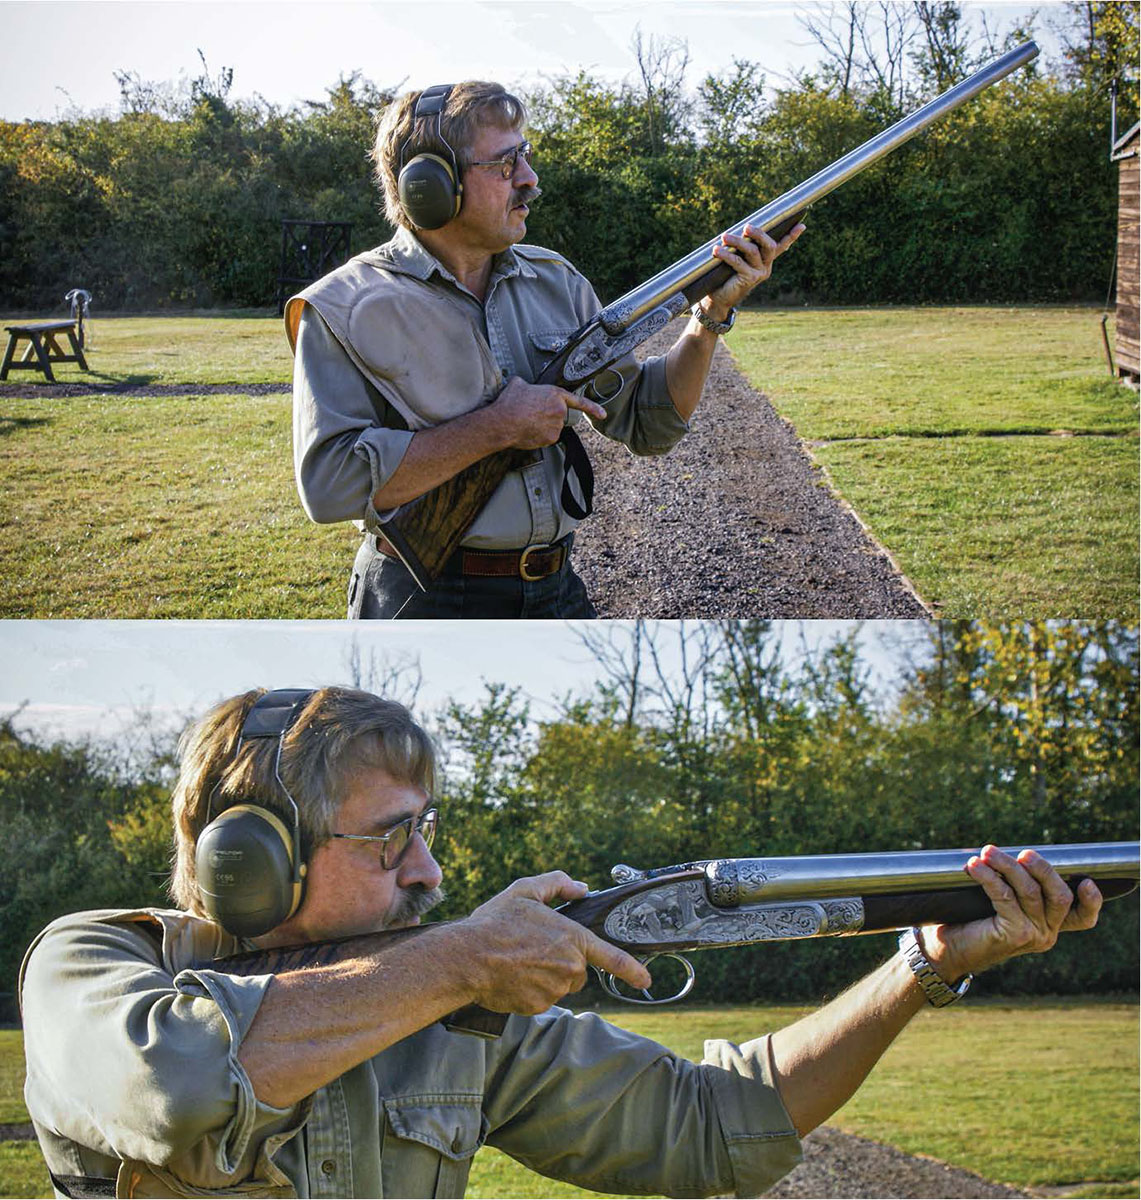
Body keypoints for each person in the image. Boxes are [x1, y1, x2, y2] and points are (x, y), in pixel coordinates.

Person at [21, 686, 1103, 1199]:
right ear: (252, 862)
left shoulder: (458, 1020)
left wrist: (920, 966)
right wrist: (458, 959)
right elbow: (183, 1086)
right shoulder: (93, 965)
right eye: (394, 838)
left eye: (429, 834)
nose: (432, 875)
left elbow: (714, 1126)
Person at [288, 81, 804, 619]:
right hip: (420, 599)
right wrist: (498, 428)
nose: (530, 180)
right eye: (505, 164)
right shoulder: (342, 307)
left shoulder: (556, 283)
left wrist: (710, 316)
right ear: (431, 187)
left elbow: (648, 425)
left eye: (525, 156)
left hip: (556, 591)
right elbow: (329, 487)